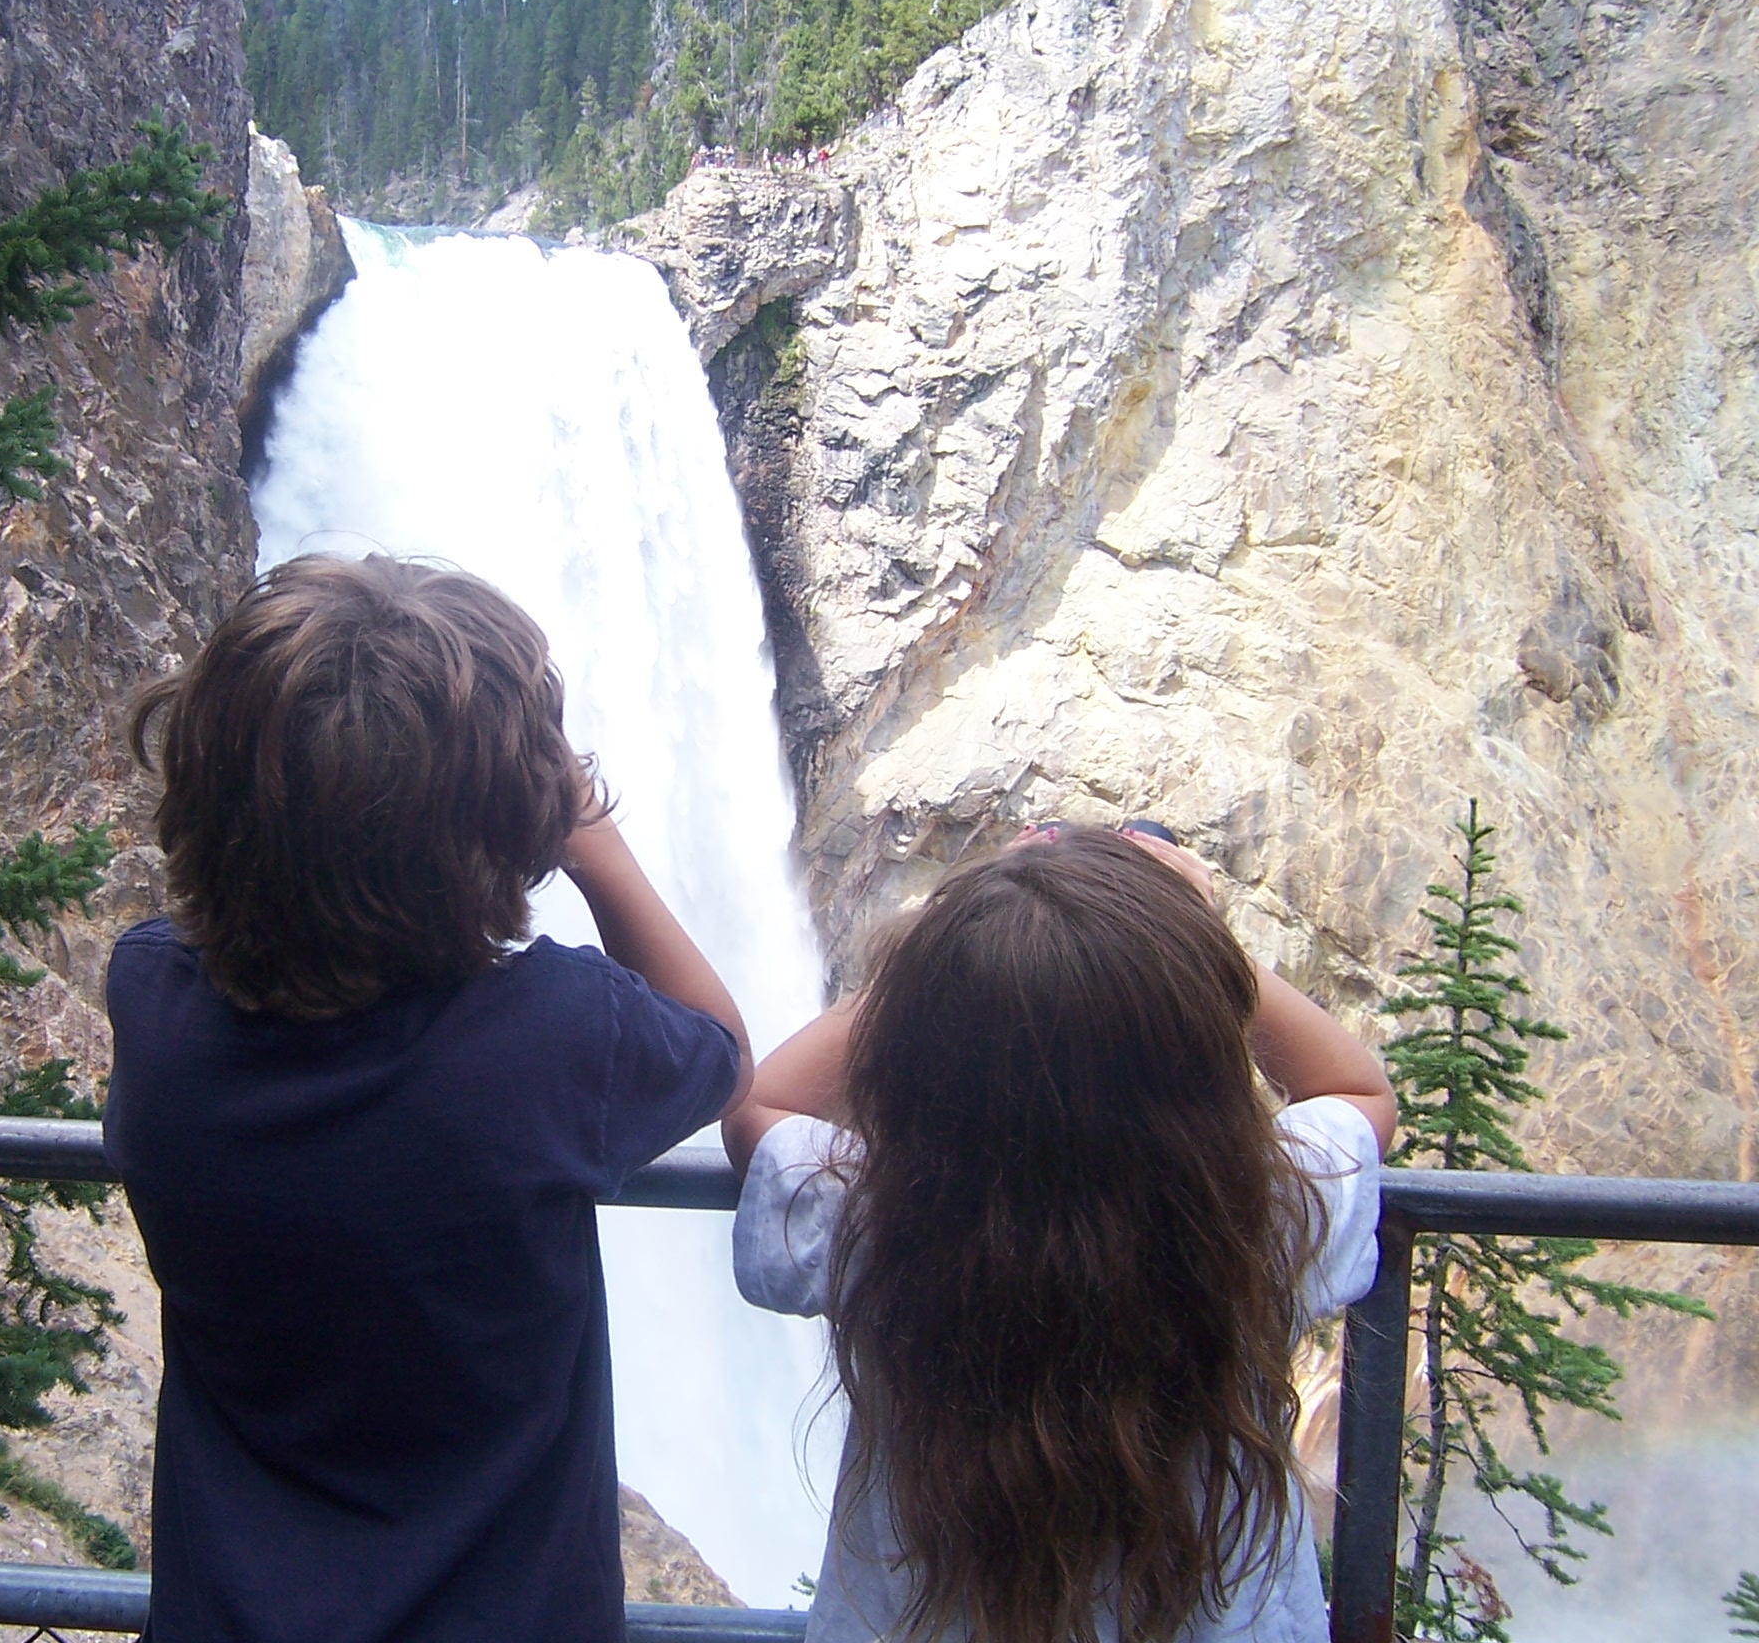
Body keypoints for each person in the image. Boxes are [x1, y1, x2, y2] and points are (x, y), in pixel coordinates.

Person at [107, 554, 752, 1643]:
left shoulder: (152, 1000)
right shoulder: (554, 1038)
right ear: (511, 824)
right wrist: (590, 838)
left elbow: (201, 943)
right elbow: (722, 1047)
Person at [725, 825, 1396, 1643]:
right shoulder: (1258, 1217)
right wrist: (1186, 935)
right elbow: (1357, 1089)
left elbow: (758, 1106)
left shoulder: (881, 1220)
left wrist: (954, 941)